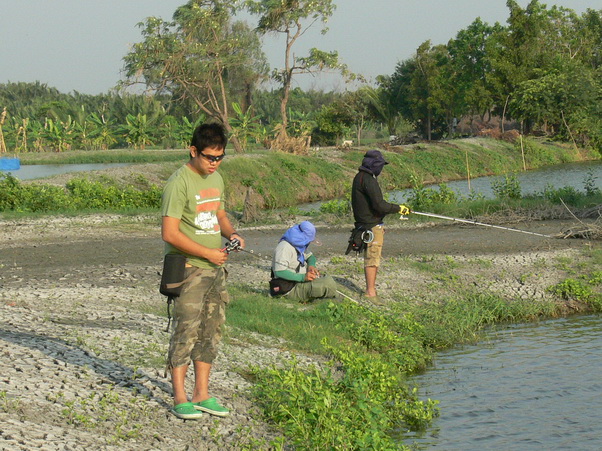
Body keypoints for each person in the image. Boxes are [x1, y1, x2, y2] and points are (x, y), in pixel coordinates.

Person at [161, 122, 244, 420]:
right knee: (186, 331)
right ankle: (180, 395)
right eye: (210, 157)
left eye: (220, 157)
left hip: (215, 270)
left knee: (211, 332)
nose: (214, 163)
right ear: (194, 151)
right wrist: (207, 252)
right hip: (188, 269)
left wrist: (231, 234)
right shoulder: (178, 182)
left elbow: (218, 212)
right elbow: (169, 233)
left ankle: (202, 394)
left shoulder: (217, 178)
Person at [351, 150, 410, 303]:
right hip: (370, 227)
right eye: (380, 165)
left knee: (373, 257)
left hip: (368, 223)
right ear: (374, 165)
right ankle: (371, 293)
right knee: (372, 258)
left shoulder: (359, 177)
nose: (381, 169)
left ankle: (371, 290)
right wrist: (399, 208)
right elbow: (379, 205)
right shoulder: (369, 180)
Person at [269, 221, 339, 302]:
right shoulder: (284, 248)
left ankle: (330, 297)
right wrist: (303, 277)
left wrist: (311, 266)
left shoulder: (299, 245)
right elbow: (279, 272)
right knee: (328, 284)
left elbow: (311, 257)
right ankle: (332, 300)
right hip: (288, 288)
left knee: (327, 278)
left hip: (298, 282)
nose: (308, 243)